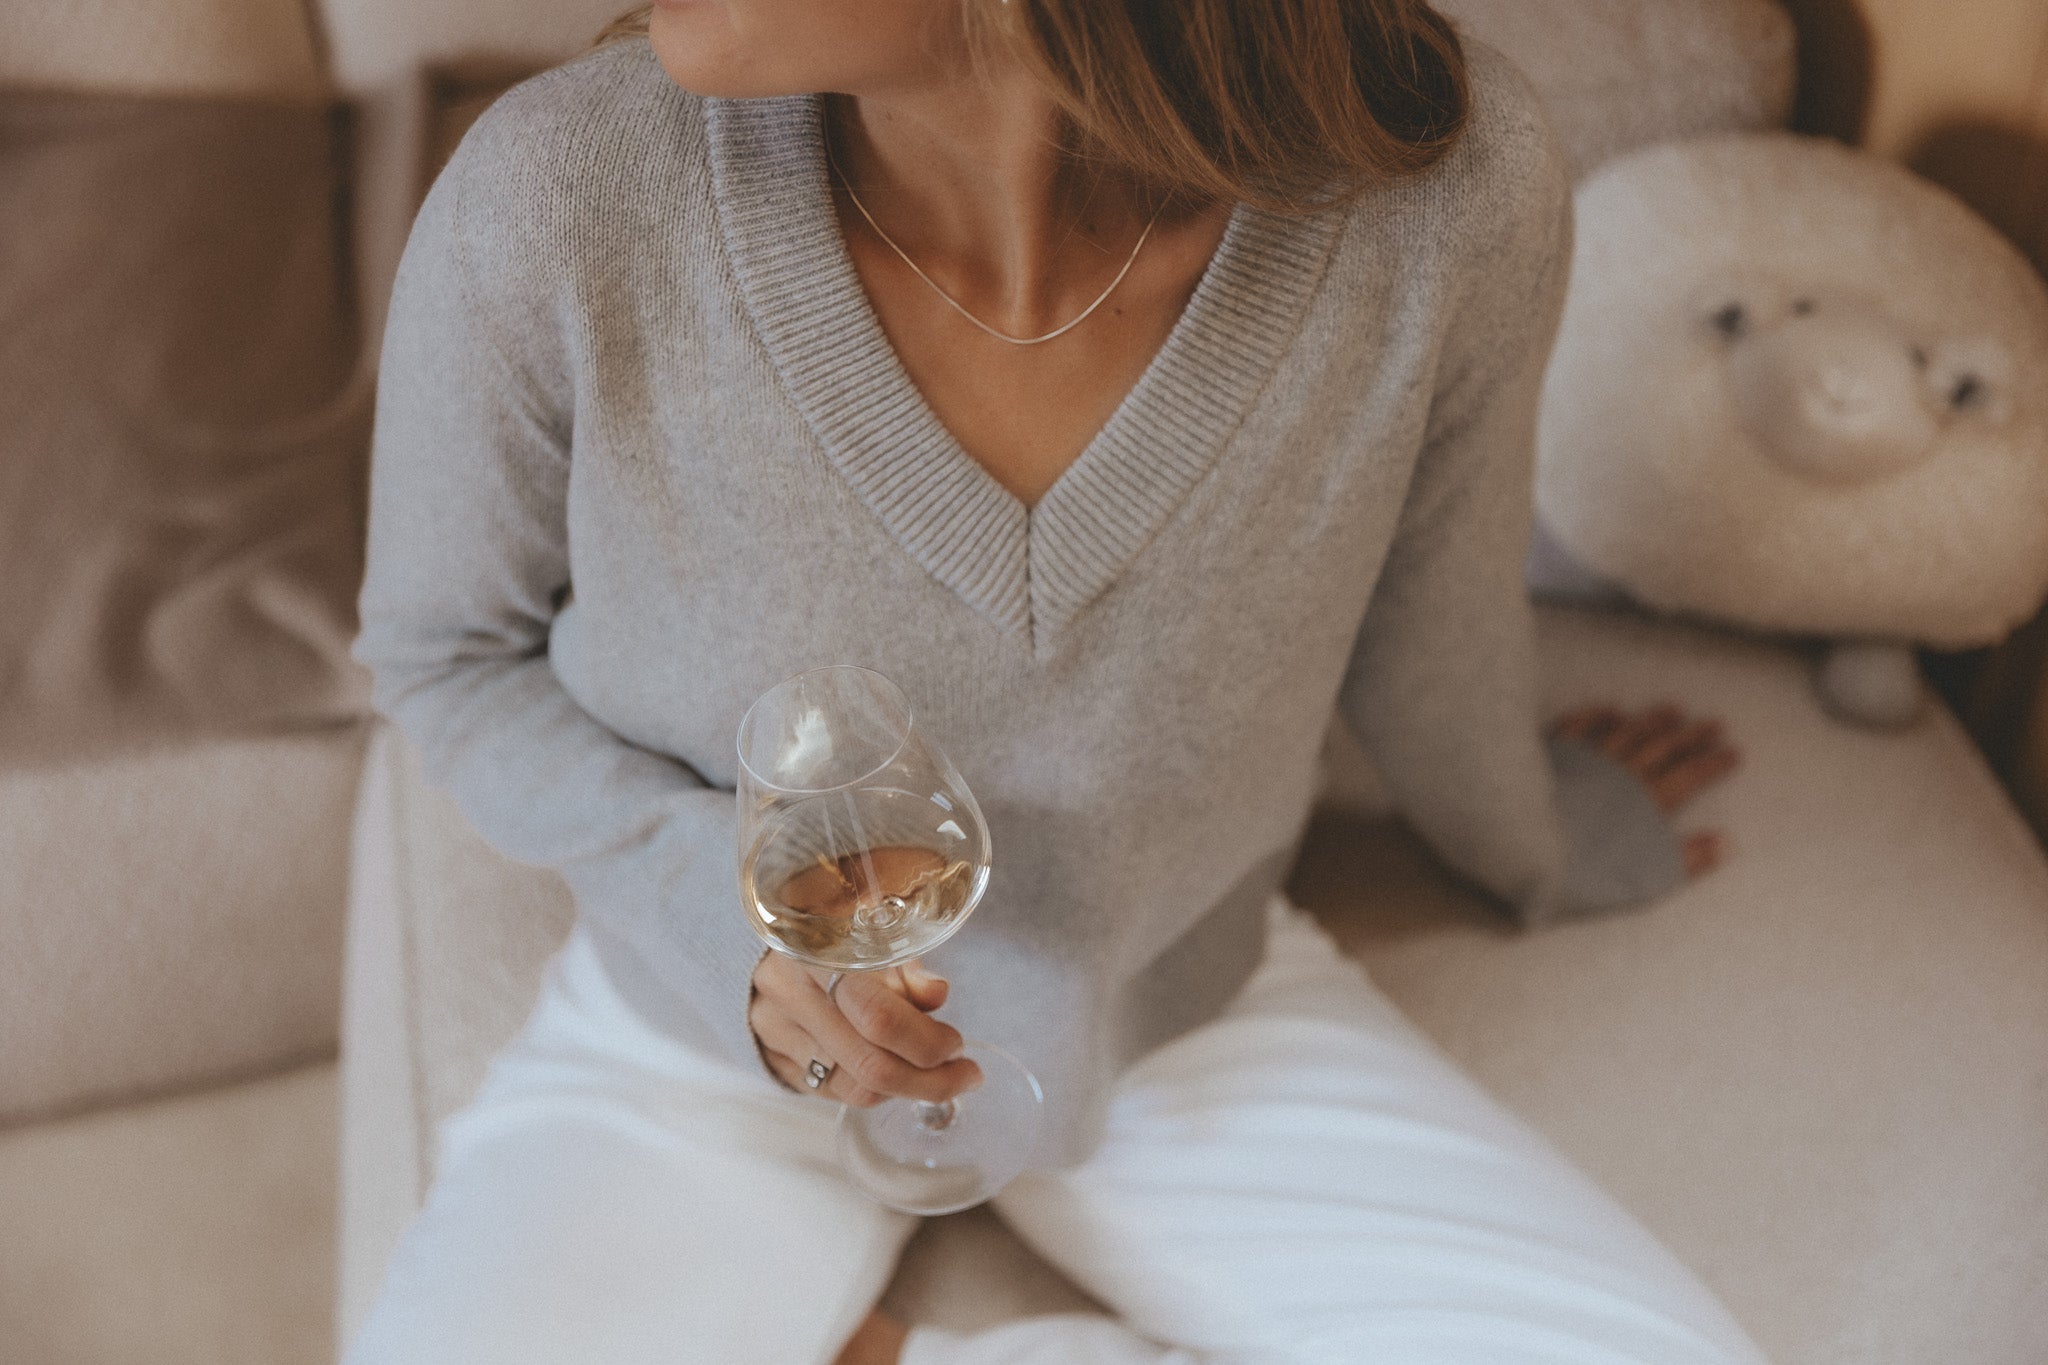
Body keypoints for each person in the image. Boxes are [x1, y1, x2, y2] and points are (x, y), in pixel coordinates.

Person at [346, 1, 1760, 1360]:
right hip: (700, 1023)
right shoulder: (553, 194)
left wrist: (1541, 844)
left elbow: (1430, 621)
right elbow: (444, 656)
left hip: (1169, 1005)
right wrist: (740, 945)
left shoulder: (1446, 186)